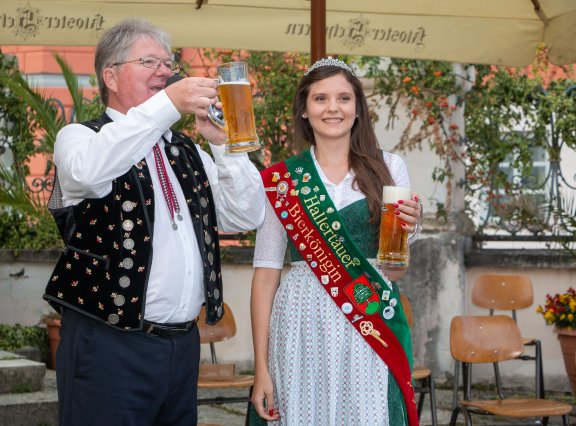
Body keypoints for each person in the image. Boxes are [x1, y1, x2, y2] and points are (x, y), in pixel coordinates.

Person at [43, 18, 265, 426]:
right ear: (110, 75)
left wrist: (226, 148)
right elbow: (90, 174)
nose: (165, 71)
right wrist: (168, 106)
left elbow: (244, 215)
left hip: (182, 347)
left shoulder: (186, 151)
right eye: (149, 61)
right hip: (108, 344)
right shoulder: (79, 137)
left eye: (168, 62)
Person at [250, 58, 422, 425]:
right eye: (320, 98)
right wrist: (261, 368)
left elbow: (396, 270)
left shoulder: (389, 167)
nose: (333, 108)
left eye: (344, 98)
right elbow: (265, 277)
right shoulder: (281, 180)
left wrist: (405, 233)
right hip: (300, 323)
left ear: (357, 108)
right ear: (304, 110)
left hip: (367, 314)